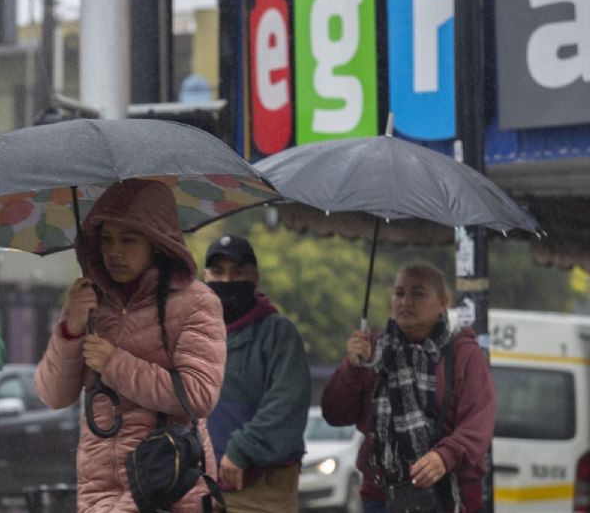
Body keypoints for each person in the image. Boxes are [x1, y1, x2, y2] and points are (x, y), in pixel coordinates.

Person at [34, 179, 228, 512]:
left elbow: (198, 396)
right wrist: (70, 330)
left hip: (167, 486)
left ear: (157, 243)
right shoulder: (89, 300)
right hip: (100, 489)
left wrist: (114, 364)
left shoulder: (196, 302)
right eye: (106, 239)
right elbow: (53, 395)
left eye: (128, 240)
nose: (114, 252)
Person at [321, 263, 496, 513]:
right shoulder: (372, 350)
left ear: (443, 302)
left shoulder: (464, 354)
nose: (405, 302)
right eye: (399, 293)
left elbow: (478, 423)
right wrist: (352, 367)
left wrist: (444, 457)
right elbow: (335, 414)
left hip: (450, 498)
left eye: (418, 294)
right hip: (382, 497)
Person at [202, 234, 311, 513]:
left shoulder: (279, 333)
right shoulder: (194, 332)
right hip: (199, 486)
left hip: (262, 487)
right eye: (217, 271)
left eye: (237, 272)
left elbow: (287, 404)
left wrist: (241, 450)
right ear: (204, 275)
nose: (226, 281)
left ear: (255, 276)